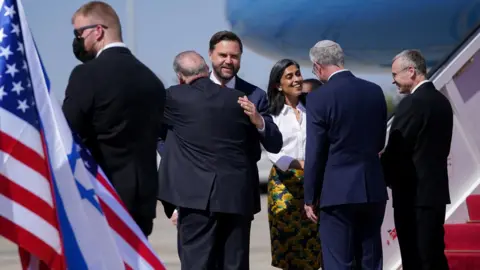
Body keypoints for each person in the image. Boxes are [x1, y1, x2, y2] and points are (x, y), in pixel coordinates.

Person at [62, 1, 165, 237]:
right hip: (142, 202)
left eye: (79, 33)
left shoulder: (86, 75)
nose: (77, 40)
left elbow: (67, 133)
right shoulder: (152, 80)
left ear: (98, 31)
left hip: (102, 197)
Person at [157, 51, 262, 270]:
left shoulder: (174, 97)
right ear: (207, 70)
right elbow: (253, 148)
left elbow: (153, 128)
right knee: (235, 265)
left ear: (180, 77)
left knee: (197, 263)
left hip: (197, 201)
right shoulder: (239, 98)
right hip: (237, 197)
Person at [303, 40, 388, 270]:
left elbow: (315, 151)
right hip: (372, 188)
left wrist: (310, 196)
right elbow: (380, 141)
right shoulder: (374, 91)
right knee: (370, 260)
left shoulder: (319, 98)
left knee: (339, 261)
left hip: (337, 193)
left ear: (318, 66)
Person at [381, 50, 452, 270]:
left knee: (416, 260)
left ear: (411, 71)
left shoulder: (412, 104)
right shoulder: (441, 101)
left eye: (395, 74)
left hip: (413, 198)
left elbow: (396, 151)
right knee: (434, 257)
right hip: (435, 194)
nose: (393, 80)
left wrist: (381, 171)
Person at [208, 30, 283, 214]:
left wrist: (259, 121)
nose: (228, 61)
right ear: (210, 55)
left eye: (234, 56)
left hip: (239, 196)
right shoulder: (191, 92)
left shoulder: (255, 96)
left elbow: (274, 143)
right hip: (200, 197)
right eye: (222, 55)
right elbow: (164, 138)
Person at [265, 59, 322, 270]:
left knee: (313, 245)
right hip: (284, 186)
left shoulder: (313, 108)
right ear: (278, 85)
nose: (297, 79)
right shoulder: (272, 113)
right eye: (289, 76)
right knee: (289, 246)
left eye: (298, 74)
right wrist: (301, 164)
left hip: (312, 183)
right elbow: (273, 153)